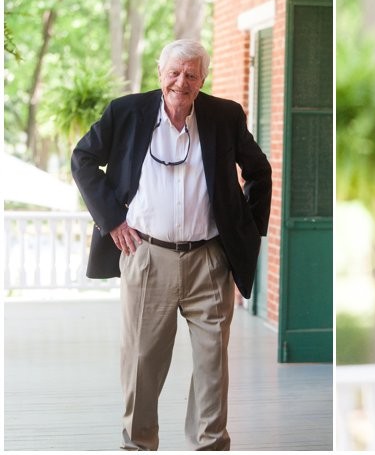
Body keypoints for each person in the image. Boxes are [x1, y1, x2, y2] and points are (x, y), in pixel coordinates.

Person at [71, 39, 272, 450]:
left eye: (192, 74)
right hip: (146, 257)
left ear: (202, 79)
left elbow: (259, 171)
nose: (182, 82)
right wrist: (112, 220)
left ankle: (210, 444)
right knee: (143, 365)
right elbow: (83, 159)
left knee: (213, 367)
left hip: (209, 260)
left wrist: (244, 231)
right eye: (175, 72)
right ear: (160, 73)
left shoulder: (224, 116)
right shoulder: (126, 112)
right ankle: (139, 444)